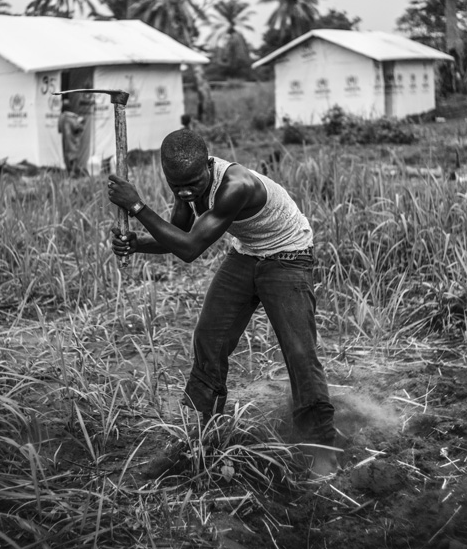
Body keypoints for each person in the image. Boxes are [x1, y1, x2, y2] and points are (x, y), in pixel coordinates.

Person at [105, 128, 338, 478]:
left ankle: (321, 448)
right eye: (176, 185)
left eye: (193, 184)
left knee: (299, 353)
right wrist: (137, 244)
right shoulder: (187, 184)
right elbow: (178, 235)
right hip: (248, 254)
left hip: (288, 256)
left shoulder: (235, 185)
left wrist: (136, 206)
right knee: (208, 338)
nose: (185, 192)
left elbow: (189, 250)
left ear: (207, 164)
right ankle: (202, 433)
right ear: (168, 175)